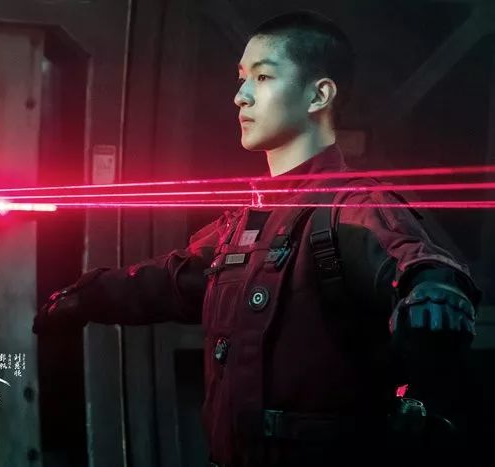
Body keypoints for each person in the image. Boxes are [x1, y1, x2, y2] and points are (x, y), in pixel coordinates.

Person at [33, 10, 481, 467]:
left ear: (319, 95)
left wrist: (434, 292)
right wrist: (87, 295)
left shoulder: (352, 208)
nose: (241, 96)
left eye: (263, 77)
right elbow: (170, 279)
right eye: (242, 77)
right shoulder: (245, 223)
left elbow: (417, 262)